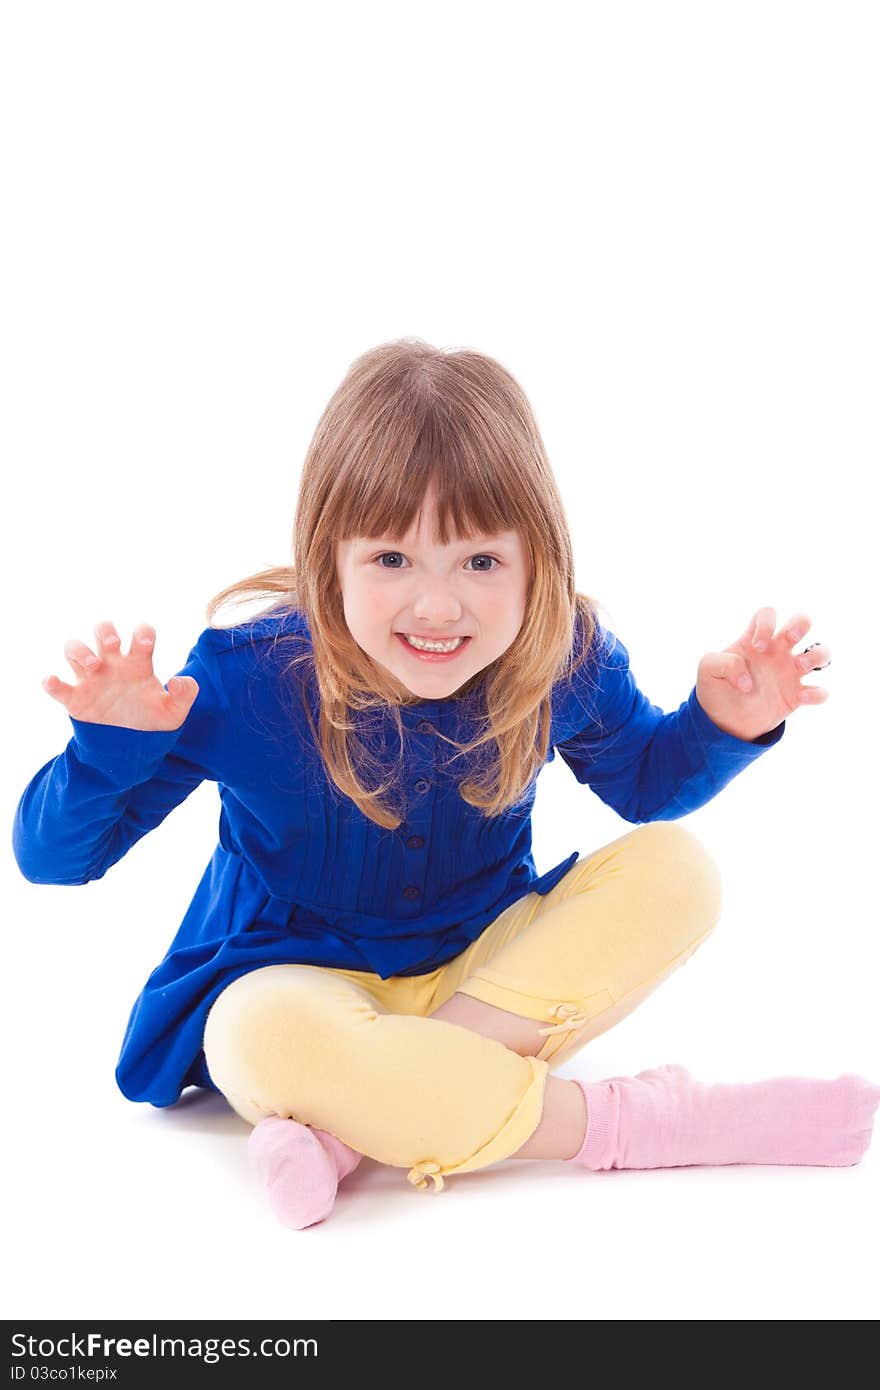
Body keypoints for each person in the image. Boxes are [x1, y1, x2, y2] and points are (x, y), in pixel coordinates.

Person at [13, 338, 878, 1231]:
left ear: (535, 559)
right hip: (301, 985)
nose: (437, 607)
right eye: (391, 560)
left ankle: (344, 1129)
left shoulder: (560, 660)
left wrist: (721, 723)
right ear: (329, 558)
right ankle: (642, 1122)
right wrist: (105, 750)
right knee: (249, 1032)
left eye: (479, 562)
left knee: (681, 868)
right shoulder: (244, 677)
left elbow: (647, 788)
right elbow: (53, 861)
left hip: (489, 969)